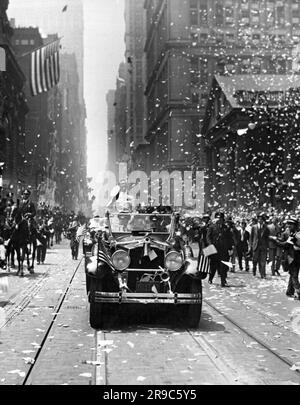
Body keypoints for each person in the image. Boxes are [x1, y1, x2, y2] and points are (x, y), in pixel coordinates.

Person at [272, 217, 300, 300]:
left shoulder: (295, 235)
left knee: (294, 276)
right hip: (295, 257)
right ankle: (289, 291)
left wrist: (275, 241)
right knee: (292, 274)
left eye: (291, 224)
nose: (288, 226)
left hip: (294, 258)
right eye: (288, 224)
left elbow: (285, 245)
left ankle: (298, 292)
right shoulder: (294, 234)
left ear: (295, 225)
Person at [206, 212, 234, 287]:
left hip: (223, 250)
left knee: (223, 266)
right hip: (214, 249)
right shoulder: (212, 227)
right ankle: (210, 278)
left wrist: (230, 248)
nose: (219, 220)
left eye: (221, 219)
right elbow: (208, 237)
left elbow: (229, 239)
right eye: (218, 218)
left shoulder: (226, 228)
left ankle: (223, 280)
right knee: (213, 265)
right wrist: (210, 244)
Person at [249, 213, 270, 279]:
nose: (260, 220)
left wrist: (267, 246)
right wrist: (251, 245)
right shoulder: (254, 227)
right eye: (259, 219)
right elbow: (251, 237)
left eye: (261, 219)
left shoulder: (266, 228)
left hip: (263, 247)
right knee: (255, 260)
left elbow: (267, 238)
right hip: (256, 246)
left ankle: (262, 274)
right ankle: (254, 270)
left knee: (262, 261)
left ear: (263, 220)